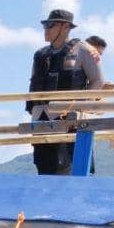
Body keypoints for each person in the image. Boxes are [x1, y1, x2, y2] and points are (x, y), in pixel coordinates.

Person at [27, 9, 105, 175]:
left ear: (65, 27)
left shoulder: (83, 50)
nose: (45, 29)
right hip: (42, 119)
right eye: (45, 25)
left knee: (73, 166)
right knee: (45, 169)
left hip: (71, 120)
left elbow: (97, 80)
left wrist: (80, 106)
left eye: (50, 25)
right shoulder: (40, 55)